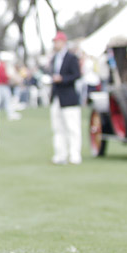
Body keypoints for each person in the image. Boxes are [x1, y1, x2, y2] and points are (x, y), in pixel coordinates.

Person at [48, 31, 82, 165]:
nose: (55, 44)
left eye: (57, 42)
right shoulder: (54, 58)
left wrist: (62, 79)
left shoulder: (71, 58)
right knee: (58, 127)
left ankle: (74, 154)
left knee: (72, 127)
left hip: (69, 97)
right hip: (57, 97)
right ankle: (60, 154)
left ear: (63, 42)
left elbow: (76, 75)